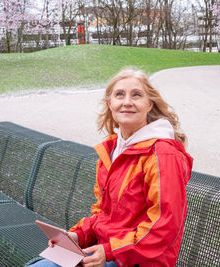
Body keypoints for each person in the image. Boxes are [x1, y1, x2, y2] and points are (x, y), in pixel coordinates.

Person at [29, 67, 193, 267]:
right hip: (105, 253)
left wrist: (109, 251)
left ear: (149, 105)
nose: (127, 102)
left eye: (136, 95)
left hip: (139, 260)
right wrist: (78, 235)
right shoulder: (112, 150)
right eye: (119, 95)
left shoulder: (163, 155)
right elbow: (103, 214)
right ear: (110, 103)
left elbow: (165, 227)